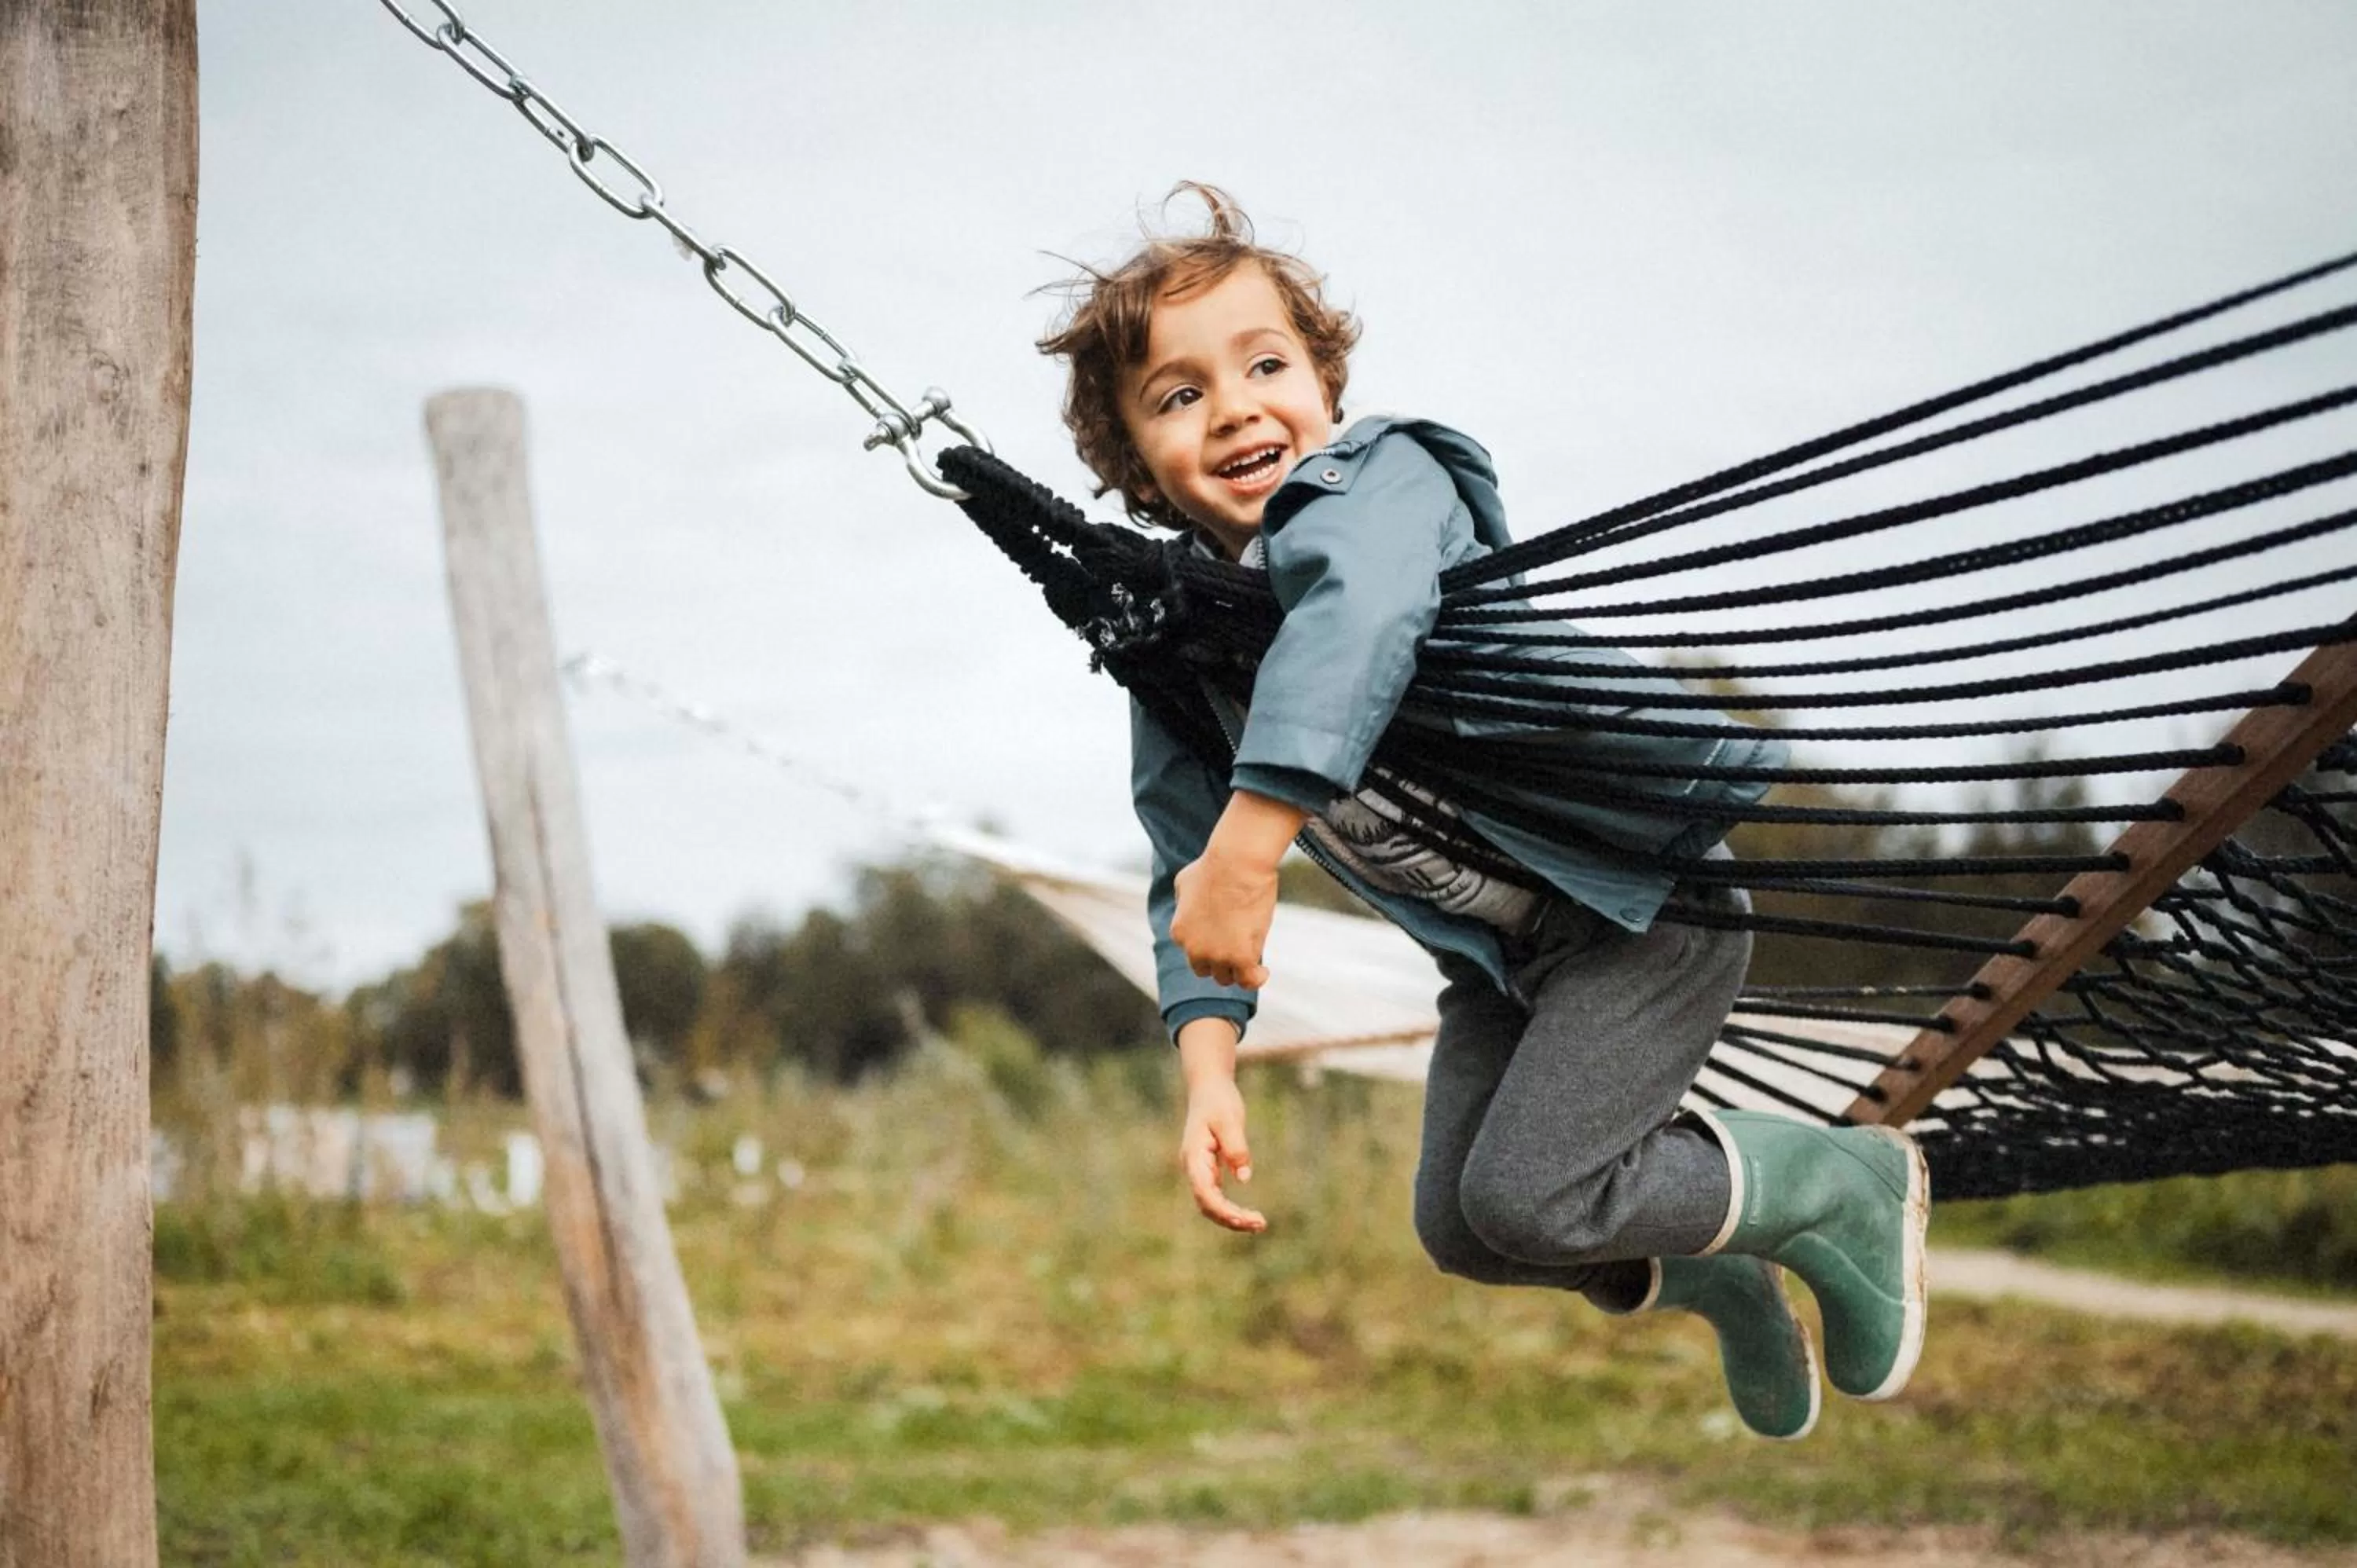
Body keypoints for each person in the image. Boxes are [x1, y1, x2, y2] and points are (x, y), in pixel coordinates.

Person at [1037, 185, 1926, 1441]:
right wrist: (1209, 1070)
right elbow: (1183, 867)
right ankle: (1718, 1269)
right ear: (1139, 462)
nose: (1234, 405)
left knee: (1529, 1196)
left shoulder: (1386, 480)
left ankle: (1840, 1186)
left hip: (1642, 907)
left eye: (1265, 363)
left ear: (1327, 385)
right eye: (1180, 396)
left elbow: (1354, 621)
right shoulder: (1187, 650)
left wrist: (1257, 838)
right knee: (1465, 1230)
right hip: (1510, 964)